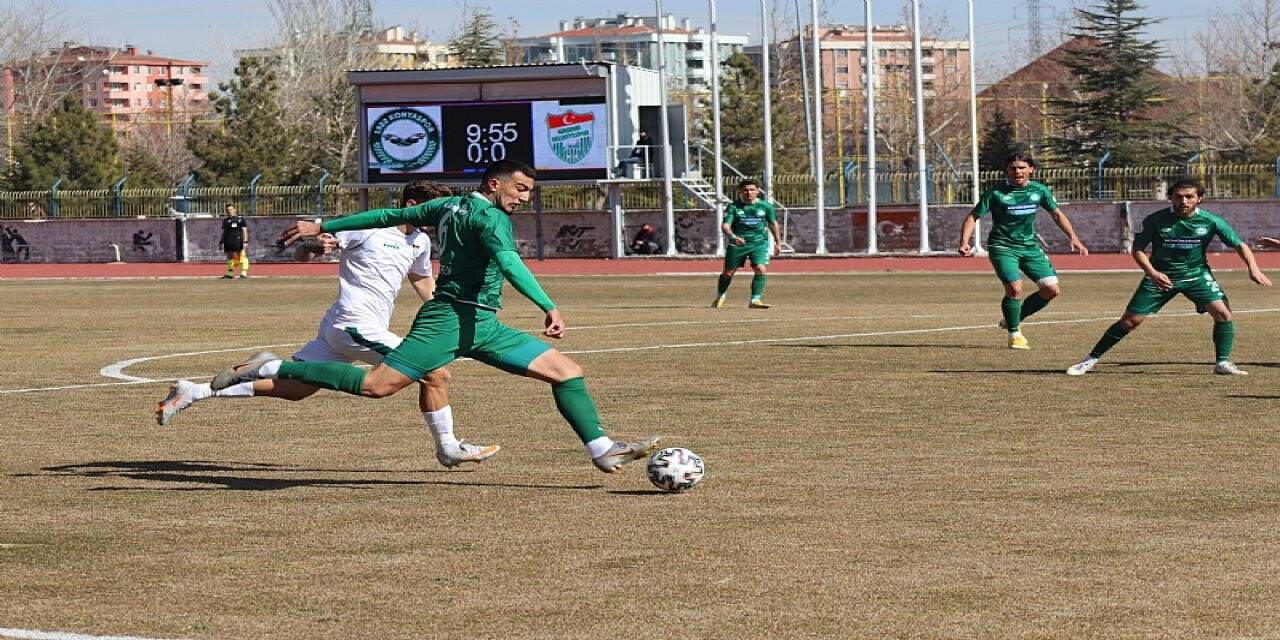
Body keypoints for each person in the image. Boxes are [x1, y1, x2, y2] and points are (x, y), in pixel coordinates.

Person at [207, 159, 659, 474]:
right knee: (376, 386)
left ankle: (602, 449)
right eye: (520, 189)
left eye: (529, 192)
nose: (524, 198)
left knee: (567, 372)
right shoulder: (491, 220)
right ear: (494, 184)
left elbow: (387, 213)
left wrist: (324, 224)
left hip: (483, 325)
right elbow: (510, 263)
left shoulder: (447, 205)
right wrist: (547, 305)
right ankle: (272, 367)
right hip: (448, 321)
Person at [156, 181, 498, 468]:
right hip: (354, 324)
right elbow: (303, 254)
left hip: (344, 327)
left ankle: (195, 391)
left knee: (297, 390)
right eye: (435, 207)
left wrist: (450, 312)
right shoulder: (369, 227)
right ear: (412, 205)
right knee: (435, 373)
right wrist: (313, 246)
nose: (442, 214)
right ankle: (447, 447)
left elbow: (421, 280)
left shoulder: (420, 241)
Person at [1066, 177, 1272, 376]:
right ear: (1171, 198)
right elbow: (1138, 250)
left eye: (1189, 196)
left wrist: (1253, 269)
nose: (1184, 201)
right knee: (1130, 322)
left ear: (1199, 198)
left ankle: (1223, 363)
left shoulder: (1211, 221)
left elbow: (1240, 245)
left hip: (1197, 276)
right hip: (1160, 277)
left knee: (1223, 314)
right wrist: (1152, 273)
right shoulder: (1156, 220)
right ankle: (1090, 359)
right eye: (1178, 196)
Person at [959, 152, 1088, 349]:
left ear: (1031, 169)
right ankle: (1015, 334)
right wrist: (964, 241)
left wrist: (1074, 237)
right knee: (1014, 288)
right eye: (1012, 168)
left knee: (1051, 289)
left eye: (1021, 168)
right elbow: (972, 217)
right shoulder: (995, 193)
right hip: (1002, 246)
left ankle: (1014, 318)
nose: (1017, 172)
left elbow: (1056, 213)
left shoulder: (1039, 190)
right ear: (1006, 171)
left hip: (1029, 247)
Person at [711, 179, 782, 309]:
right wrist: (733, 237)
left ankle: (755, 300)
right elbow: (726, 226)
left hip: (759, 243)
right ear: (740, 191)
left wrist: (778, 242)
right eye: (745, 190)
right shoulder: (733, 207)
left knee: (760, 269)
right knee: (728, 273)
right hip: (738, 244)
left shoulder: (766, 206)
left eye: (751, 189)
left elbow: (773, 224)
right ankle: (720, 295)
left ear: (758, 191)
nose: (748, 192)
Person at [219, 204, 249, 279]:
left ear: (235, 210)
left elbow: (244, 230)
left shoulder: (240, 219)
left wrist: (245, 241)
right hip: (228, 240)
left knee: (241, 256)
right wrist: (221, 241)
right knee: (230, 257)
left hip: (238, 240)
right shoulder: (225, 220)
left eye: (231, 209)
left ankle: (243, 273)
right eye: (228, 210)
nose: (229, 211)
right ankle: (230, 274)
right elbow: (223, 231)